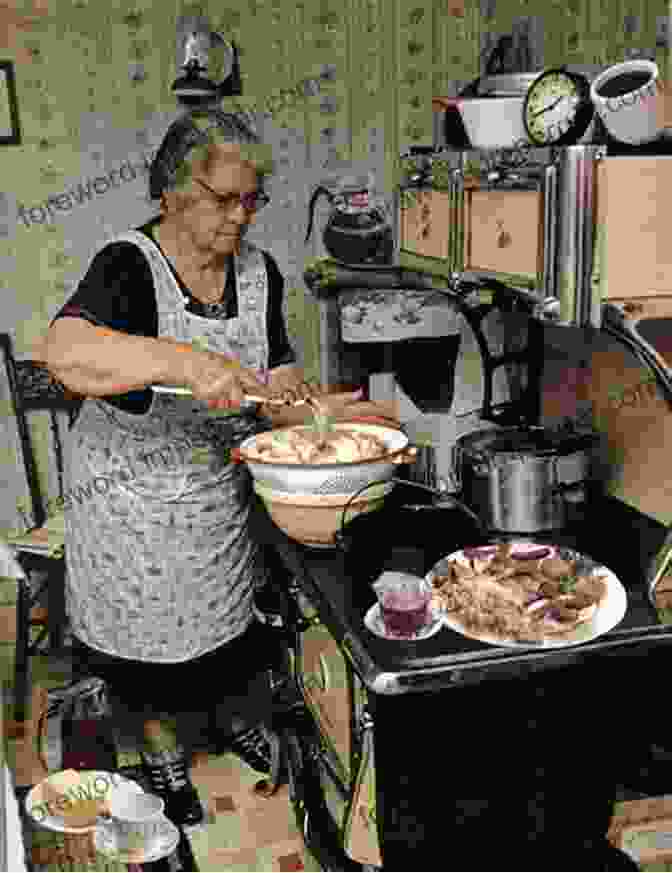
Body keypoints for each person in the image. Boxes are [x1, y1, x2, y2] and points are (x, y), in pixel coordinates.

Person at [37, 108, 389, 827]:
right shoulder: (127, 265)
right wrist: (188, 361)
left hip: (213, 494)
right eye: (223, 199)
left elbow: (275, 390)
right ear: (170, 193)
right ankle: (163, 750)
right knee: (144, 647)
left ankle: (229, 719)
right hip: (131, 500)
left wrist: (339, 417)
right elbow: (64, 352)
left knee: (222, 627)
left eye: (251, 199)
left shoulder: (260, 274)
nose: (241, 218)